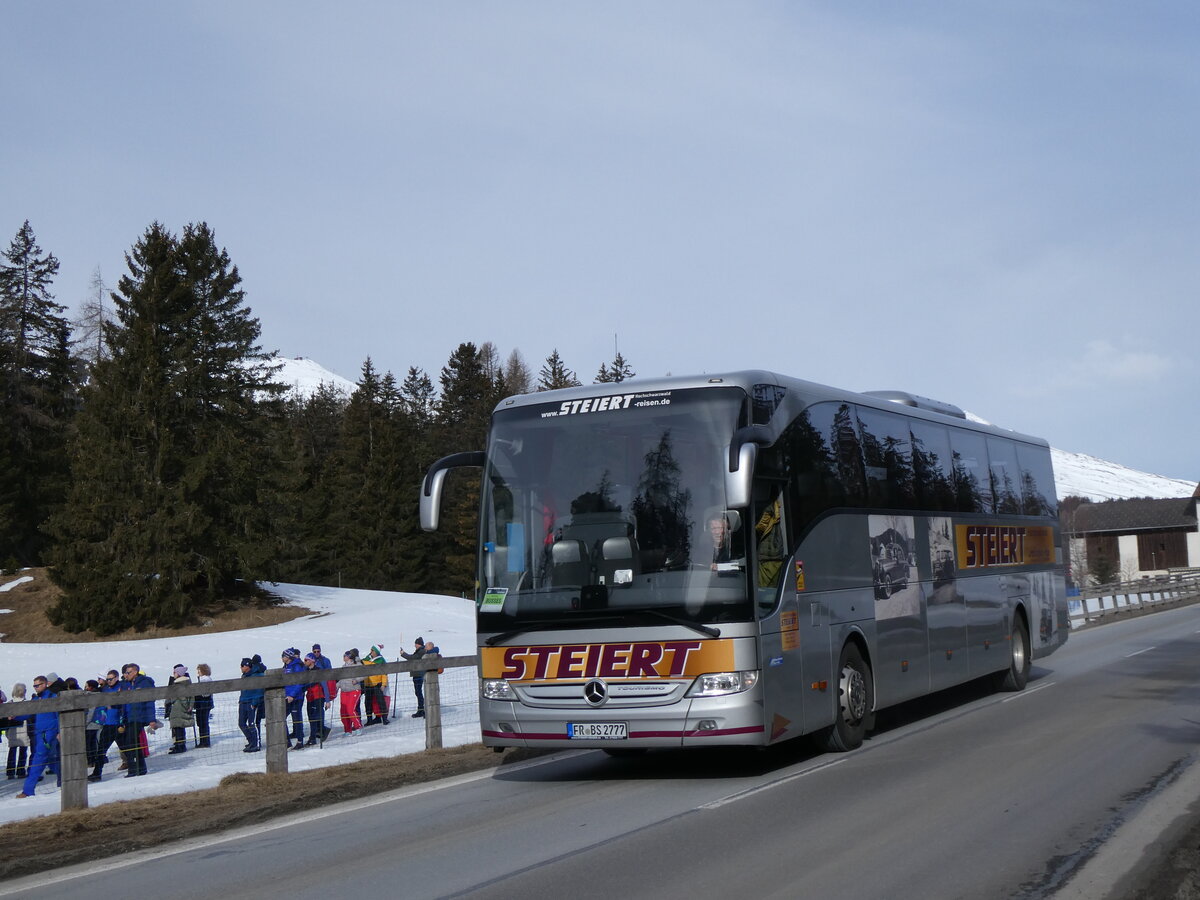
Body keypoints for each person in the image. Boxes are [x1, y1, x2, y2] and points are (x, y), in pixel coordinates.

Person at [15, 675, 58, 798]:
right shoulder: (36, 700)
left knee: (37, 760)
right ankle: (66, 781)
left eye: (37, 685)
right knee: (52, 761)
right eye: (34, 686)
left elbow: (59, 716)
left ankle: (27, 791)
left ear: (45, 684)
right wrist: (15, 717)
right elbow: (28, 714)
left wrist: (59, 732)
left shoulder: (53, 698)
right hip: (39, 734)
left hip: (48, 734)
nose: (35, 688)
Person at [117, 662, 155, 777]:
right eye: (124, 673)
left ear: (135, 672)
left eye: (128, 673)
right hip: (127, 717)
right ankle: (140, 768)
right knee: (133, 743)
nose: (125, 675)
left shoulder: (144, 683)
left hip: (138, 717)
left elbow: (149, 702)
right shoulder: (125, 684)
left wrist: (151, 719)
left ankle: (134, 769)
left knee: (131, 742)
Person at [89, 670, 122, 781]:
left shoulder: (122, 688)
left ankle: (137, 768)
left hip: (119, 723)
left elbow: (124, 705)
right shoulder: (105, 689)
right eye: (107, 679)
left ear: (117, 678)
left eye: (110, 679)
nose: (108, 681)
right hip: (108, 724)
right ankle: (97, 773)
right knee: (101, 750)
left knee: (128, 748)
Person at [301, 653, 332, 746]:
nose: (304, 662)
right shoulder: (305, 671)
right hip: (310, 696)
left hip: (318, 696)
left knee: (315, 717)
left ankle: (313, 738)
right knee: (311, 717)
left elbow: (324, 686)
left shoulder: (318, 671)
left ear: (312, 661)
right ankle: (321, 731)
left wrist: (327, 700)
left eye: (306, 660)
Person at [237, 657, 265, 752]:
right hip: (243, 701)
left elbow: (260, 690)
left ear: (247, 666)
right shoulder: (244, 676)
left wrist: (255, 702)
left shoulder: (257, 675)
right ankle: (251, 741)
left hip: (252, 703)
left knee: (252, 723)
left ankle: (256, 744)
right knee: (241, 723)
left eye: (242, 666)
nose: (240, 668)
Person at [281, 648, 306, 748]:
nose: (282, 658)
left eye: (283, 656)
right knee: (282, 717)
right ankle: (287, 741)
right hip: (287, 696)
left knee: (297, 719)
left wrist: (292, 695)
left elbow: (299, 682)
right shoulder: (286, 667)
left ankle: (300, 741)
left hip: (296, 697)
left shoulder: (296, 666)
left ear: (288, 657)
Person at [5, 682, 29, 780]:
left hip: (12, 732)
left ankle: (10, 772)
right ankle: (21, 771)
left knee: (12, 751)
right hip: (24, 730)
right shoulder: (26, 703)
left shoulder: (10, 703)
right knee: (23, 751)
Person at [167, 671, 194, 754]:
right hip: (182, 708)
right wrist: (190, 705)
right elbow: (192, 697)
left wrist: (186, 706)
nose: (173, 674)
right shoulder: (187, 683)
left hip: (178, 708)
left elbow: (182, 697)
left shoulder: (179, 684)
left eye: (175, 672)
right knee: (180, 727)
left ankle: (180, 746)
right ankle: (181, 745)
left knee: (178, 727)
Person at [361, 645, 389, 726]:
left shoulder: (381, 661)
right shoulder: (366, 660)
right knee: (368, 702)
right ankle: (369, 719)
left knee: (381, 702)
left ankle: (384, 718)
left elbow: (384, 674)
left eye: (373, 650)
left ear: (376, 652)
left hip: (377, 684)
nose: (371, 652)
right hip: (368, 684)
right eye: (371, 650)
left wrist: (384, 684)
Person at [400, 637, 428, 718]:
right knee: (418, 692)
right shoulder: (420, 651)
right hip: (417, 674)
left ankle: (421, 710)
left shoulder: (421, 651)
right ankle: (421, 709)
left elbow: (412, 658)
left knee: (419, 692)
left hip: (419, 674)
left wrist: (403, 654)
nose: (415, 645)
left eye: (416, 644)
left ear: (418, 644)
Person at [337, 649, 362, 734]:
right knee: (343, 711)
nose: (343, 657)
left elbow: (365, 674)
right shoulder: (344, 666)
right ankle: (347, 730)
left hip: (353, 689)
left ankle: (358, 727)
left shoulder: (357, 665)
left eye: (345, 656)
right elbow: (341, 679)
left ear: (349, 657)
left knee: (350, 709)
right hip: (344, 690)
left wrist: (357, 680)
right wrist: (336, 687)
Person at [193, 663, 214, 748]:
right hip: (202, 704)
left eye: (199, 670)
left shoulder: (205, 679)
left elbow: (205, 693)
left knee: (203, 722)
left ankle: (205, 741)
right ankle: (203, 740)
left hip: (203, 704)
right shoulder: (202, 679)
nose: (198, 672)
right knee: (202, 722)